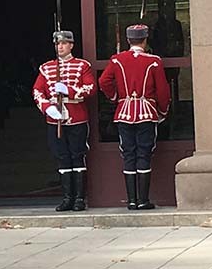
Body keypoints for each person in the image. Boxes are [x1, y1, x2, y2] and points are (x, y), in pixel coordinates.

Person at [99, 24, 170, 210]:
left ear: (128, 40)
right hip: (146, 112)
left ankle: (131, 200)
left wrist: (116, 97)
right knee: (144, 153)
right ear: (145, 40)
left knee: (128, 154)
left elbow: (103, 81)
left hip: (124, 112)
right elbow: (163, 91)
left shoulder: (117, 60)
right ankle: (143, 200)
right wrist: (162, 111)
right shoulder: (154, 61)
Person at [31, 29, 96, 211]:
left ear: (71, 45)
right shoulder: (47, 67)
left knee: (77, 156)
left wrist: (69, 90)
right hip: (55, 118)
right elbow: (37, 91)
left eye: (64, 43)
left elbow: (90, 88)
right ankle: (67, 198)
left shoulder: (82, 65)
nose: (60, 47)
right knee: (62, 158)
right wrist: (47, 108)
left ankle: (79, 199)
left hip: (76, 117)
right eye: (57, 44)